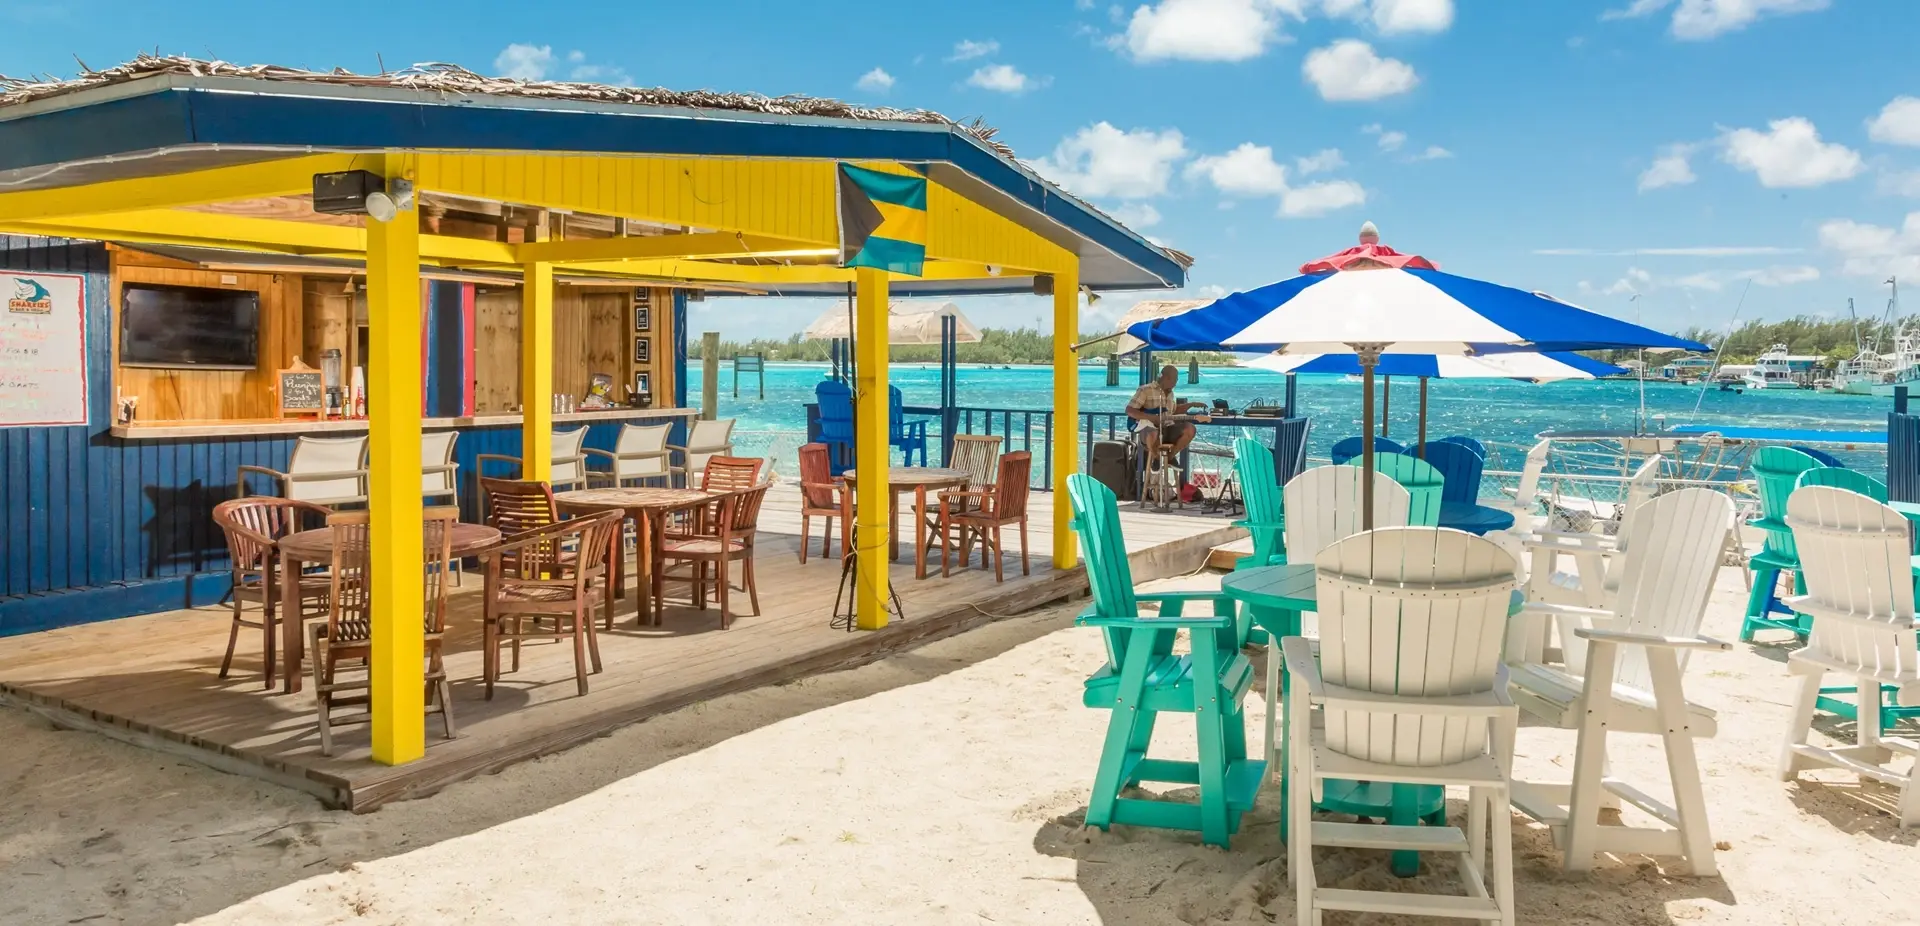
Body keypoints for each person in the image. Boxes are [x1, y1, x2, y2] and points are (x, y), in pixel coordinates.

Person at [1126, 364, 1209, 467]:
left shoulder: (1171, 394)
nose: (1176, 383)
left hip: (1167, 429)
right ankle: (1156, 459)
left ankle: (1169, 457)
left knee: (1190, 429)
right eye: (1175, 379)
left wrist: (1192, 404)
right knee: (1153, 432)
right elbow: (1130, 410)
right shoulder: (1145, 390)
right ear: (1167, 378)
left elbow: (1173, 411)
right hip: (1149, 431)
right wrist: (1151, 418)